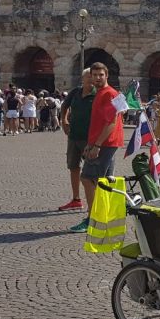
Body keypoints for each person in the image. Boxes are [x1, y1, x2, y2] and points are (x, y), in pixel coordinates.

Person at [71, 62, 124, 233]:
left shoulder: (108, 94)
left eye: (101, 75)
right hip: (105, 143)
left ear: (107, 75)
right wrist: (90, 143)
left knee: (87, 179)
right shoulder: (103, 93)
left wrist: (97, 145)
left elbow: (111, 123)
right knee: (103, 182)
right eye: (94, 75)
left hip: (105, 144)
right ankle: (104, 217)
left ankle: (92, 219)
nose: (98, 78)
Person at [59, 69, 95, 212]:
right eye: (88, 76)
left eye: (93, 76)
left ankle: (94, 202)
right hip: (73, 135)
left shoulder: (98, 94)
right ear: (82, 78)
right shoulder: (75, 92)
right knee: (73, 166)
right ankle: (76, 199)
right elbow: (64, 106)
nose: (91, 79)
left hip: (89, 138)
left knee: (91, 171)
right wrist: (64, 121)